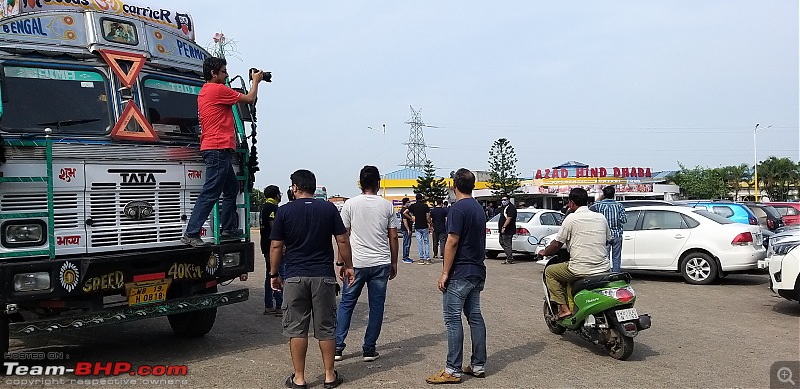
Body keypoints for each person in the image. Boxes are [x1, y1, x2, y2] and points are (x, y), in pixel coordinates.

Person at [270, 169, 354, 389]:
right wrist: (349, 266)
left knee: (297, 328)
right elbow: (342, 240)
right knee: (326, 327)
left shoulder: (284, 211)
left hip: (295, 276)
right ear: (314, 188)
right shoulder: (328, 209)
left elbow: (276, 245)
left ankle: (299, 378)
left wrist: (274, 273)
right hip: (323, 277)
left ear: (295, 187)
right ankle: (329, 376)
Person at [182, 57, 263, 247]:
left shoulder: (205, 91)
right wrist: (256, 81)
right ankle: (191, 232)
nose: (227, 75)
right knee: (210, 192)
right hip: (218, 148)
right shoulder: (217, 89)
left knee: (232, 188)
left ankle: (228, 226)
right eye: (224, 71)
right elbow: (250, 99)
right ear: (213, 73)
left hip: (216, 149)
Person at [426, 168, 487, 384]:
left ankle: (453, 369)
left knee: (453, 319)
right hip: (477, 271)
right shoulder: (479, 209)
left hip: (460, 272)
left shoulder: (457, 209)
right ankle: (478, 364)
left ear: (454, 186)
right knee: (475, 317)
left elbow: (452, 241)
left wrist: (444, 273)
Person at [335, 166, 399, 363]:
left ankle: (338, 347)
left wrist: (341, 262)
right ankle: (369, 349)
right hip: (381, 263)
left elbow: (343, 236)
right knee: (376, 306)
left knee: (347, 303)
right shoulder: (387, 206)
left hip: (356, 263)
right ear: (378, 183)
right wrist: (394, 262)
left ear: (360, 183)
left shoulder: (350, 205)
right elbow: (393, 236)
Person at [537, 188, 610, 319]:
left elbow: (556, 244)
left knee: (550, 272)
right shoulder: (601, 217)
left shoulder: (571, 218)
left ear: (571, 203)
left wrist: (544, 252)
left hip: (580, 268)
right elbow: (607, 239)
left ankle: (564, 309)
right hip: (603, 267)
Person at [589, 186, 628, 272]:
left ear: (604, 195)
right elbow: (624, 220)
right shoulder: (619, 206)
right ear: (614, 194)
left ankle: (606, 276)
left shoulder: (598, 206)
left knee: (605, 258)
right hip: (617, 235)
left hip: (604, 235)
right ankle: (615, 276)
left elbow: (590, 210)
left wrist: (600, 198)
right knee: (616, 258)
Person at [260, 185, 283, 316]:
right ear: (276, 195)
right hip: (272, 246)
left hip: (264, 245)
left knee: (269, 273)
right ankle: (279, 305)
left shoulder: (263, 207)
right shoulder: (273, 208)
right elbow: (275, 230)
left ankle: (269, 305)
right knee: (276, 273)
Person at [405, 194, 432, 264]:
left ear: (416, 198)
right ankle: (428, 258)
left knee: (419, 242)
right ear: (422, 198)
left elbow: (405, 212)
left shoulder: (413, 206)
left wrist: (411, 218)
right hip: (424, 226)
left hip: (417, 226)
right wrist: (430, 224)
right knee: (426, 242)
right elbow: (428, 217)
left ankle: (421, 258)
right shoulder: (425, 206)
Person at [497, 196, 517, 264]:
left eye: (505, 200)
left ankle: (509, 259)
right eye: (502, 200)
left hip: (508, 230)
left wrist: (504, 227)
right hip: (502, 230)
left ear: (508, 200)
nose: (503, 201)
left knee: (507, 244)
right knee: (501, 242)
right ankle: (509, 256)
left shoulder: (511, 208)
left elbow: (509, 218)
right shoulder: (504, 207)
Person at [399, 197, 414, 264]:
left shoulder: (406, 210)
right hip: (406, 229)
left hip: (409, 228)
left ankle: (407, 256)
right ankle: (405, 257)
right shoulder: (404, 210)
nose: (409, 203)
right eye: (408, 202)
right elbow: (404, 220)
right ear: (406, 202)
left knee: (408, 243)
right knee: (406, 243)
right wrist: (408, 229)